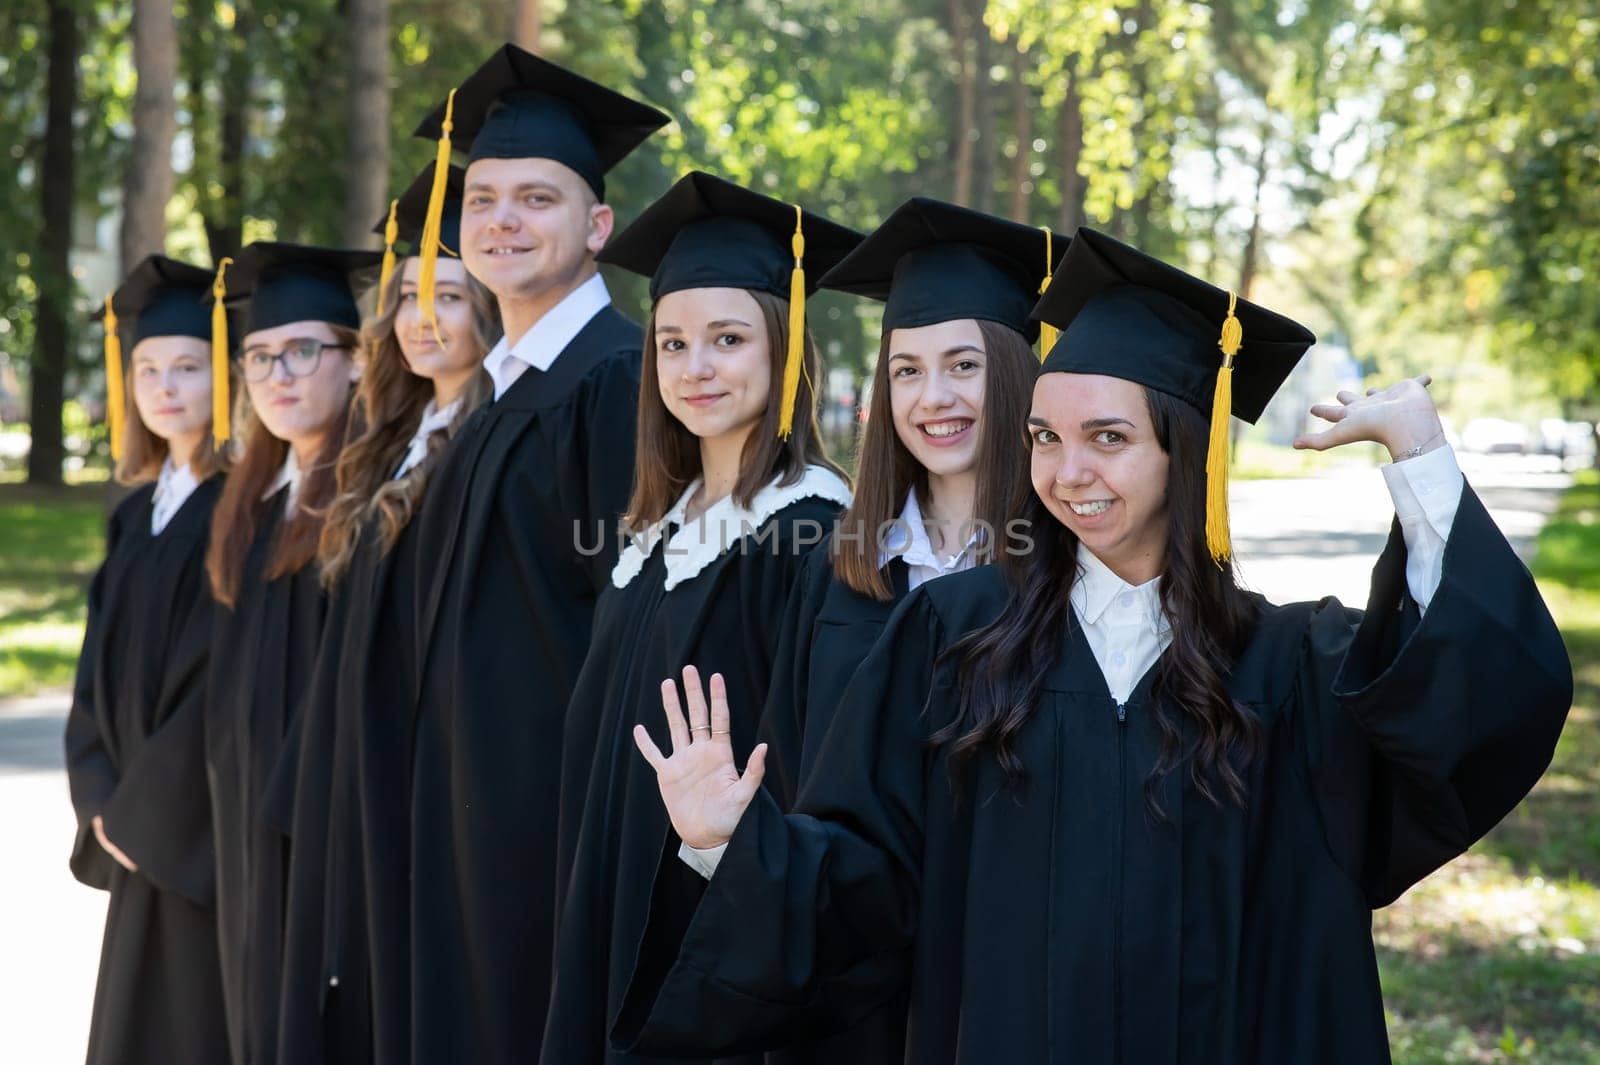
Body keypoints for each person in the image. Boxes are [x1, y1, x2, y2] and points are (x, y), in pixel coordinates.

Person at [621, 227, 1573, 1064]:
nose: (1068, 474)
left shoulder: (1286, 662)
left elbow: (1473, 712)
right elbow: (869, 885)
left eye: (1108, 438)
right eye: (1044, 437)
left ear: (1184, 453)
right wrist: (731, 844)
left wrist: (1422, 460)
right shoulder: (952, 639)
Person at [540, 170, 860, 1064]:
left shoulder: (809, 533)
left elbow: (816, 774)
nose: (697, 367)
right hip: (611, 914)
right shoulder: (653, 533)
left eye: (728, 338)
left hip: (715, 951)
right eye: (673, 343)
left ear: (784, 350)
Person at [402, 43, 671, 1062]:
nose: (503, 221)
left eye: (537, 199)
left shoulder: (617, 380)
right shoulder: (499, 389)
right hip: (470, 799)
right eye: (483, 200)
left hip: (548, 812)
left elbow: (634, 616)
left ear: (597, 227)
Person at [271, 165, 496, 1065]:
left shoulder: (490, 434)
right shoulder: (388, 443)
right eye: (407, 295)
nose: (422, 316)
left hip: (426, 770)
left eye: (448, 294)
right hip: (362, 769)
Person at [761, 197, 1065, 802]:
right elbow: (792, 768)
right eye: (906, 371)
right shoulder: (837, 569)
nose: (932, 397)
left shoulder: (1067, 564)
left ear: (1014, 374)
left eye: (963, 365)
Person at [204, 241, 378, 1065]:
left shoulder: (367, 497)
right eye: (261, 356)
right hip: (248, 828)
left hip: (319, 826)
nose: (279, 373)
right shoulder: (252, 504)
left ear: (355, 361)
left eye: (304, 350)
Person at [65, 255, 231, 1065]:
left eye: (190, 367)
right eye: (149, 369)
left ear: (226, 374)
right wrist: (100, 802)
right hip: (132, 828)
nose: (165, 387)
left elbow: (220, 685)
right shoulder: (135, 517)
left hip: (199, 844)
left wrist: (142, 816)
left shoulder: (243, 508)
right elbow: (92, 681)